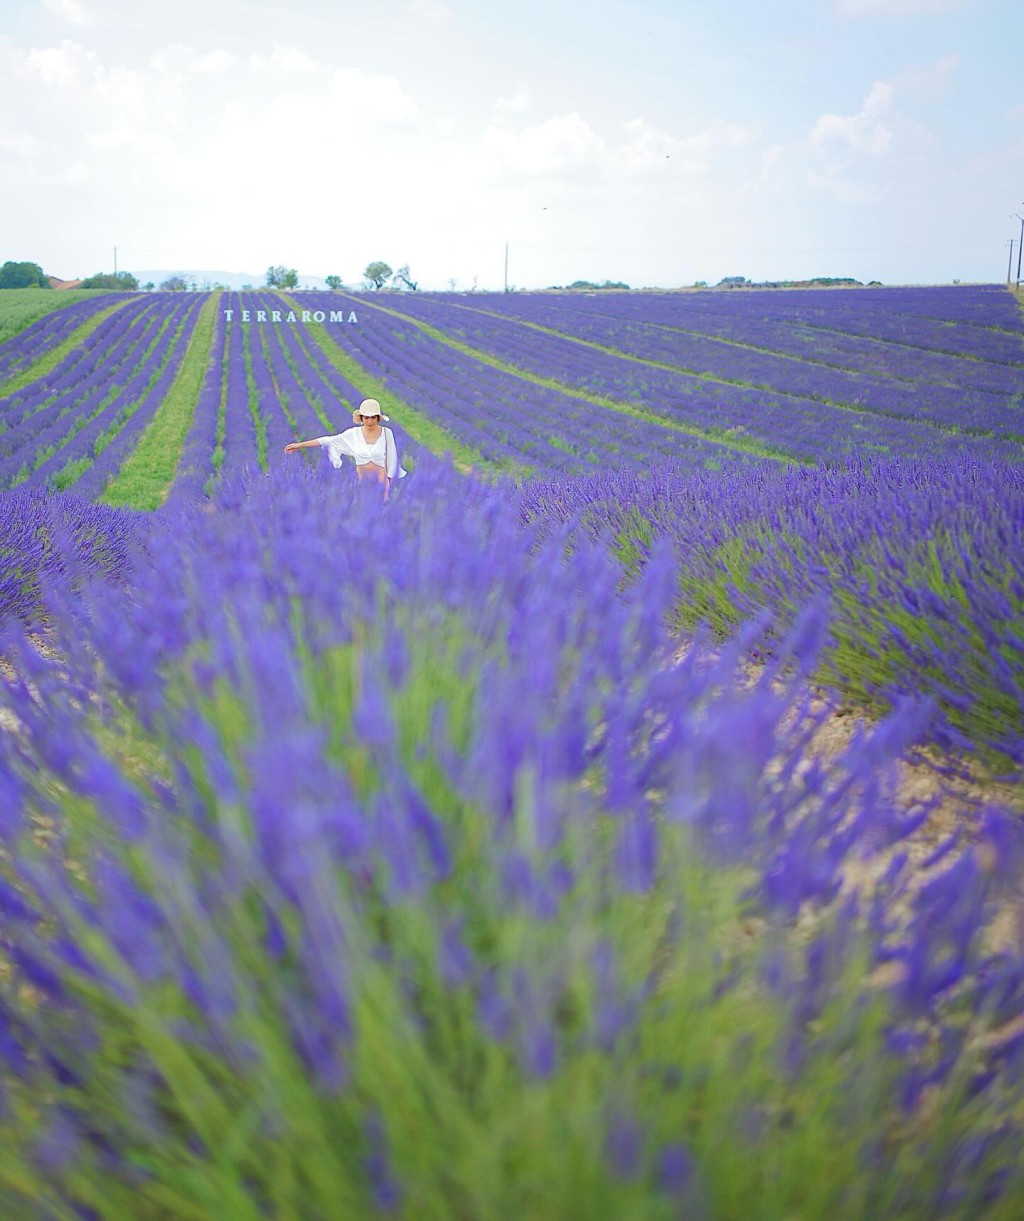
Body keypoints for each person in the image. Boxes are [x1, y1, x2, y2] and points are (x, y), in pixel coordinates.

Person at [284, 398, 407, 498]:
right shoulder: (353, 434)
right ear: (362, 418)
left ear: (378, 418)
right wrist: (300, 445)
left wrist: (390, 488)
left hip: (382, 481)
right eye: (366, 417)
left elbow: (392, 459)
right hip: (361, 482)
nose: (369, 421)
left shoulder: (387, 433)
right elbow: (328, 440)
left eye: (373, 417)